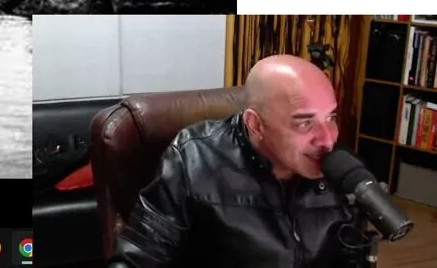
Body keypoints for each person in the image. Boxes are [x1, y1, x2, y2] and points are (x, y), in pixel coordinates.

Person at [108, 55, 352, 267]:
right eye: (305, 123)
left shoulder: (335, 165)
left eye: (330, 117)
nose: (328, 140)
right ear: (256, 124)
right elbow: (137, 259)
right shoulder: (193, 160)